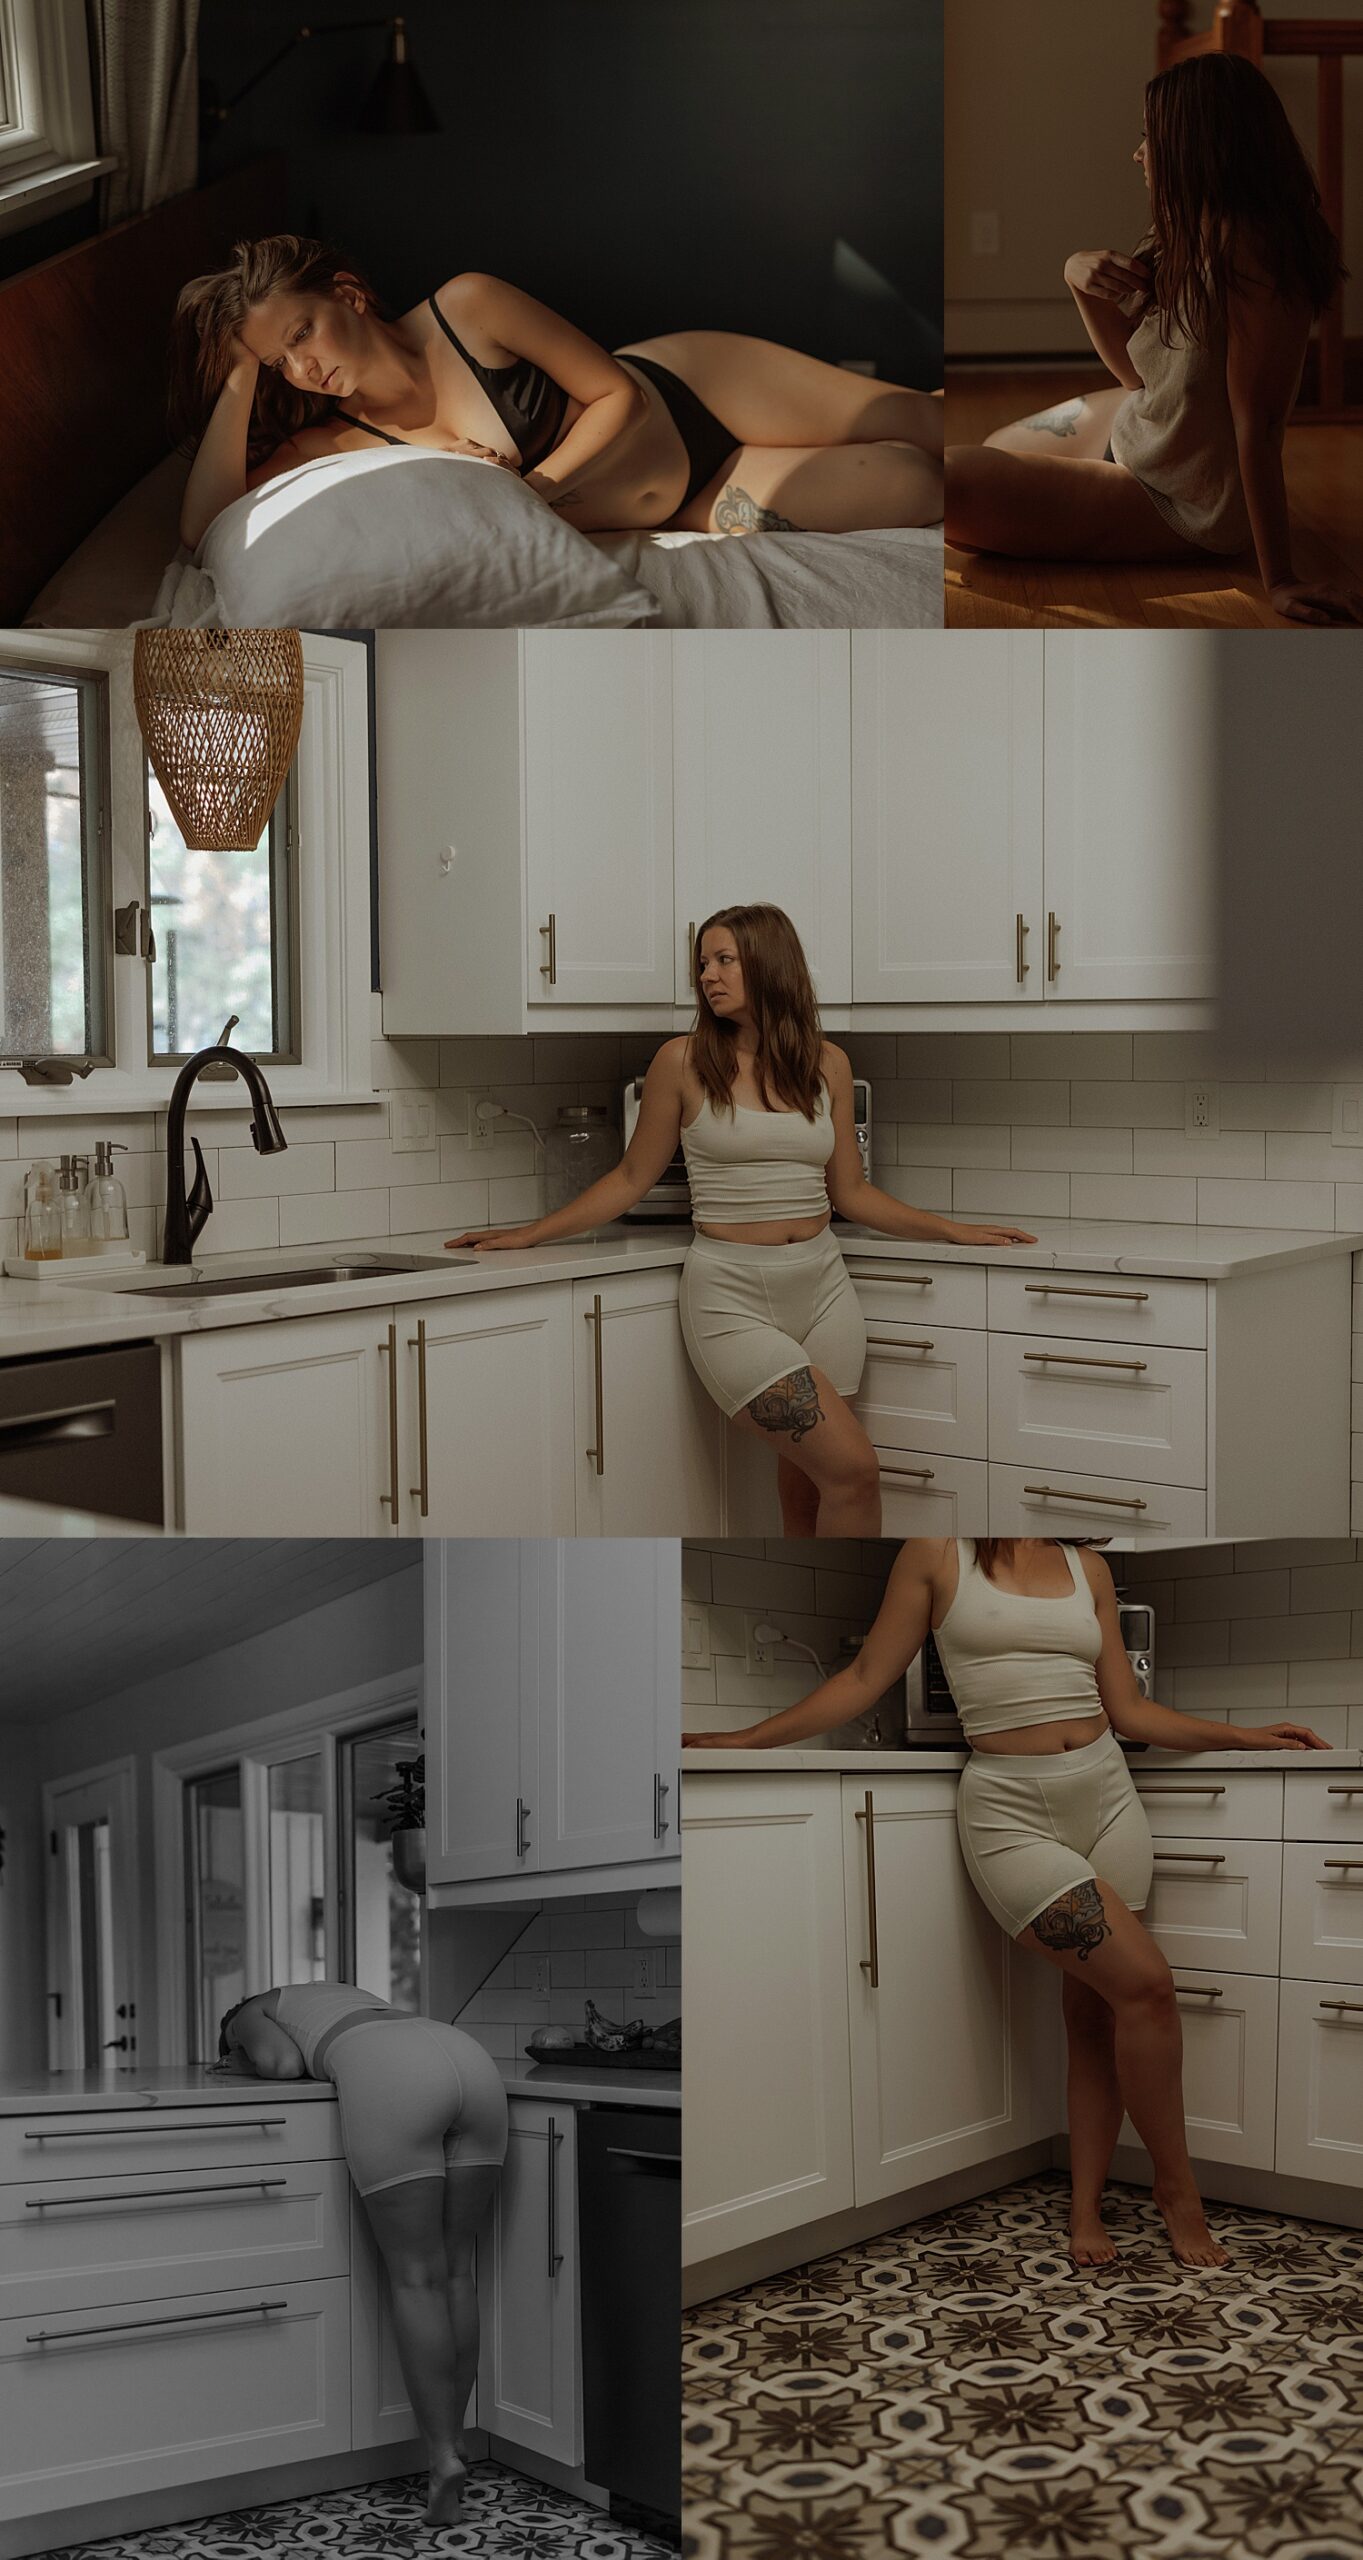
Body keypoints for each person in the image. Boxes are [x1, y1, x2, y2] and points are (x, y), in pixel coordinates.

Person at [684, 1536, 1330, 2267]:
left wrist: (1244, 1737)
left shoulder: (1088, 1566)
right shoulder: (936, 1555)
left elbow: (1128, 1710)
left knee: (1096, 2015)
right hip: (1010, 1812)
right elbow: (866, 1674)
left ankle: (1084, 2207)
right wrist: (748, 1738)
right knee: (1147, 1986)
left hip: (1109, 1798)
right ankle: (1176, 2191)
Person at [446, 905, 1034, 1537]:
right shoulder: (681, 1062)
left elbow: (853, 1194)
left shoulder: (827, 1064)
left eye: (724, 960)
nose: (708, 976)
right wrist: (529, 1233)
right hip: (731, 1299)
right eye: (703, 963)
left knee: (811, 1484)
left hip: (824, 1290)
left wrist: (954, 1230)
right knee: (855, 1471)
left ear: (767, 964)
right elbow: (628, 1179)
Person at [170, 236, 944, 548]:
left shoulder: (465, 306)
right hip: (696, 495)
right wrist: (242, 370)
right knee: (916, 484)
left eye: (300, 334)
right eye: (280, 363)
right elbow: (203, 529)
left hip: (691, 387)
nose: (299, 370)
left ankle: (1067, 440)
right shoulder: (336, 442)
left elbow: (617, 396)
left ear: (346, 293)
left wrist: (527, 493)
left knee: (926, 420)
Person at [945, 53, 1361, 627]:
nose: (1139, 153)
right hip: (1145, 424)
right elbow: (1139, 378)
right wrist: (1079, 283)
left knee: (948, 484)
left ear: (1197, 146)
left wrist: (1282, 579)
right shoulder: (1190, 230)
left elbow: (1259, 425)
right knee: (989, 449)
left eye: (1152, 137)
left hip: (1180, 497)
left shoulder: (1257, 259)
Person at [214, 1981, 508, 2522]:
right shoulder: (333, 1993)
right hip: (469, 2060)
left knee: (416, 2276)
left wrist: (241, 2055)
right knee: (456, 2272)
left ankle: (442, 2457)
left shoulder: (249, 2013)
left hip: (394, 2077)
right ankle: (458, 2437)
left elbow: (278, 2062)